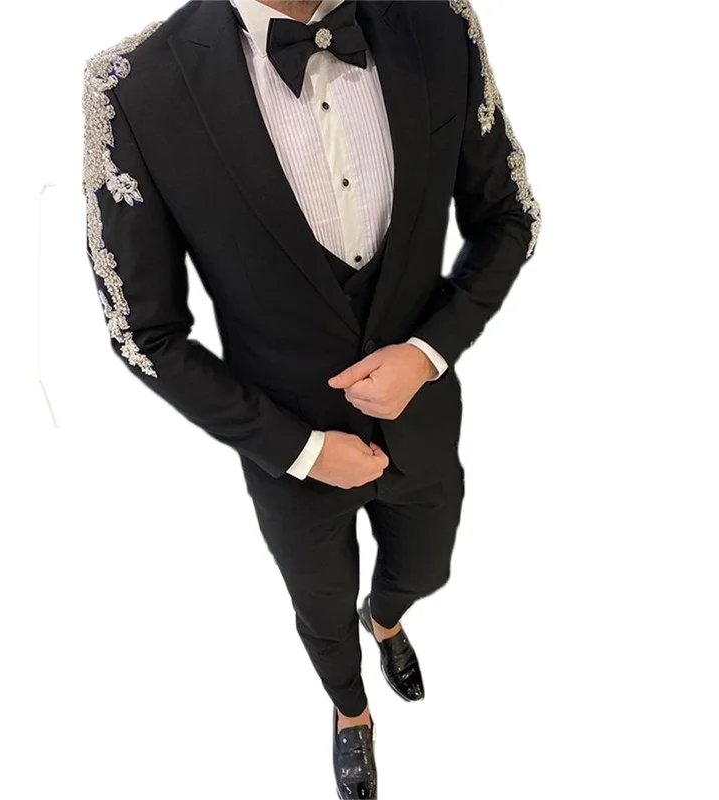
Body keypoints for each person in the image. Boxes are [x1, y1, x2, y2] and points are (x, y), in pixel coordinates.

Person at [82, 0, 540, 795]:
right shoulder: (132, 85)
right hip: (285, 449)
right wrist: (298, 449)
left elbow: (509, 218)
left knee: (426, 566)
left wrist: (428, 353)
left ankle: (387, 618)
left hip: (425, 419)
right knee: (321, 610)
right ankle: (350, 710)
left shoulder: (440, 22)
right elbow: (141, 331)